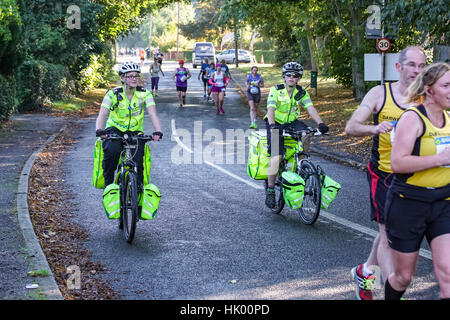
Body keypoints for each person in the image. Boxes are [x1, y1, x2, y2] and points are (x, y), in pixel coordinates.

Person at [345, 46, 426, 300]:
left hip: (414, 176)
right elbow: (351, 127)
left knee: (389, 232)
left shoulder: (427, 96)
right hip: (384, 173)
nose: (417, 71)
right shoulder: (381, 93)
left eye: (422, 66)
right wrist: (374, 128)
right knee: (388, 234)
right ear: (398, 67)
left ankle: (365, 270)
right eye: (412, 65)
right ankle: (393, 288)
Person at [384, 62, 450, 300]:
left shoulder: (449, 119)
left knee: (448, 275)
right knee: (404, 276)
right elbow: (398, 163)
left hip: (443, 201)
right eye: (446, 85)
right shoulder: (412, 118)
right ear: (429, 90)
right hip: (408, 203)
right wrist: (439, 159)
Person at [265, 62, 329, 208]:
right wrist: (273, 125)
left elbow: (310, 108)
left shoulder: (301, 92)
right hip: (275, 123)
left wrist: (321, 123)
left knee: (308, 132)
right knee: (277, 155)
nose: (291, 78)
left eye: (295, 76)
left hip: (292, 122)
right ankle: (270, 190)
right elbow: (271, 108)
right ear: (284, 76)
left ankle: (302, 162)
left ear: (299, 78)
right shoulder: (276, 90)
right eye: (288, 75)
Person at [95, 61, 163, 190]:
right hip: (114, 129)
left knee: (138, 161)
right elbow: (102, 114)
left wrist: (158, 131)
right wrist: (99, 130)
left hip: (135, 131)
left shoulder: (144, 93)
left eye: (136, 76)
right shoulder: (113, 94)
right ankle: (108, 185)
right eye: (130, 76)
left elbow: (153, 114)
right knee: (111, 152)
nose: (134, 79)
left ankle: (138, 192)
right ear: (122, 78)